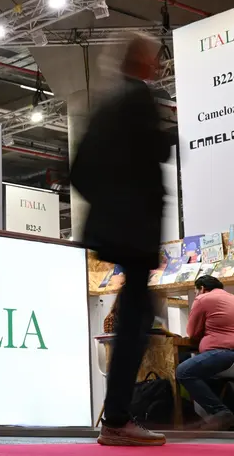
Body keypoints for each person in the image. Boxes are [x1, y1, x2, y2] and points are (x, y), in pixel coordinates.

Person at [71, 33, 174, 446]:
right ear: (143, 63)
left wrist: (106, 208)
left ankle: (117, 416)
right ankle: (117, 419)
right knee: (136, 318)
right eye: (155, 58)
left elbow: (78, 171)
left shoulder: (104, 106)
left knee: (136, 312)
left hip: (113, 228)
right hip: (134, 230)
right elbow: (155, 156)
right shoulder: (140, 101)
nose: (159, 65)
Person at [177, 276, 234, 430]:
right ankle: (223, 418)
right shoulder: (231, 298)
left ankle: (221, 413)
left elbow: (192, 332)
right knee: (205, 373)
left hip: (223, 352)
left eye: (196, 292)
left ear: (201, 288)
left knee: (184, 371)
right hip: (227, 355)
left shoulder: (203, 298)